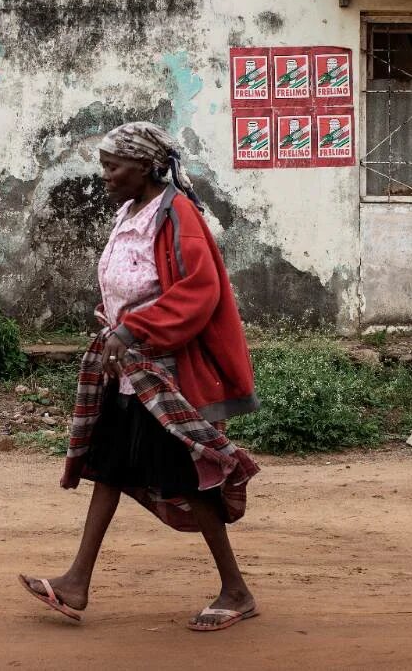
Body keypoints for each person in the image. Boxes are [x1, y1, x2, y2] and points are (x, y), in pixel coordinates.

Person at [18, 121, 261, 632]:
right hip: (129, 372)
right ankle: (75, 583)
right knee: (108, 469)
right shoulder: (132, 213)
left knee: (189, 481)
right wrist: (116, 330)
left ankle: (236, 591)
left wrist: (133, 330)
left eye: (112, 167)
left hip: (164, 376)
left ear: (146, 166)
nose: (104, 177)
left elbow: (200, 290)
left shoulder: (179, 216)